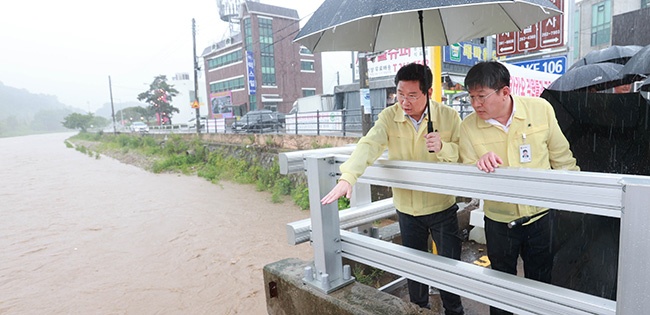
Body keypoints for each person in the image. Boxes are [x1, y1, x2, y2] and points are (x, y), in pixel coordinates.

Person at [321, 63, 464, 315]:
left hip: (442, 206)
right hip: (407, 209)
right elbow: (369, 144)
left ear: (428, 93)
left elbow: (464, 156)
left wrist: (443, 147)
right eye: (400, 93)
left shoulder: (448, 117)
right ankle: (419, 309)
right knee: (414, 267)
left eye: (412, 95)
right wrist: (348, 176)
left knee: (449, 265)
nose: (404, 101)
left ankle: (454, 310)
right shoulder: (390, 117)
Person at [458, 61, 579, 315]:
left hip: (541, 216)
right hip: (499, 220)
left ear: (505, 91)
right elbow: (466, 170)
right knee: (501, 284)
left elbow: (562, 158)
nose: (475, 104)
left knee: (540, 282)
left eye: (481, 96)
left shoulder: (540, 110)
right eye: (471, 97)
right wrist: (476, 164)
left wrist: (578, 198)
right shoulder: (468, 126)